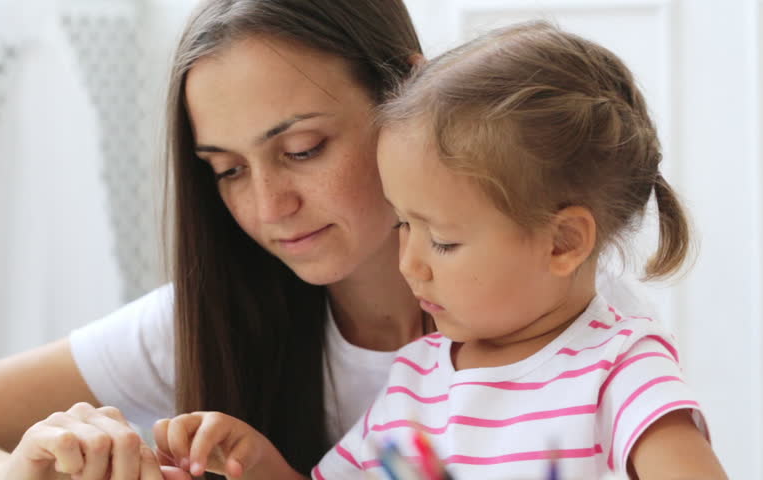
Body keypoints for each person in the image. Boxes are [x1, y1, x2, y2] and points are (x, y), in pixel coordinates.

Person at [0, 2, 648, 479]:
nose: (269, 207)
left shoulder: (561, 325)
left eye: (301, 149)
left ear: (408, 100)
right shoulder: (206, 317)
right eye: (227, 171)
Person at [150, 21, 728, 480]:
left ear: (563, 241)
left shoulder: (619, 366)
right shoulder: (417, 378)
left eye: (444, 241)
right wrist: (255, 465)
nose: (410, 264)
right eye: (404, 226)